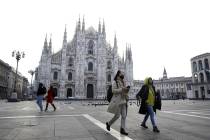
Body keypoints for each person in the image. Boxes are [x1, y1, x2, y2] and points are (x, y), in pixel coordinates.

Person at [106, 70, 130, 135]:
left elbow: (124, 91)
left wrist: (127, 90)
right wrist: (121, 89)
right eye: (121, 74)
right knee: (117, 116)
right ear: (118, 75)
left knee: (124, 116)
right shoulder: (115, 82)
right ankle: (108, 123)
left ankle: (122, 129)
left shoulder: (123, 82)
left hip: (124, 101)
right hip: (118, 101)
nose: (122, 75)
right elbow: (113, 91)